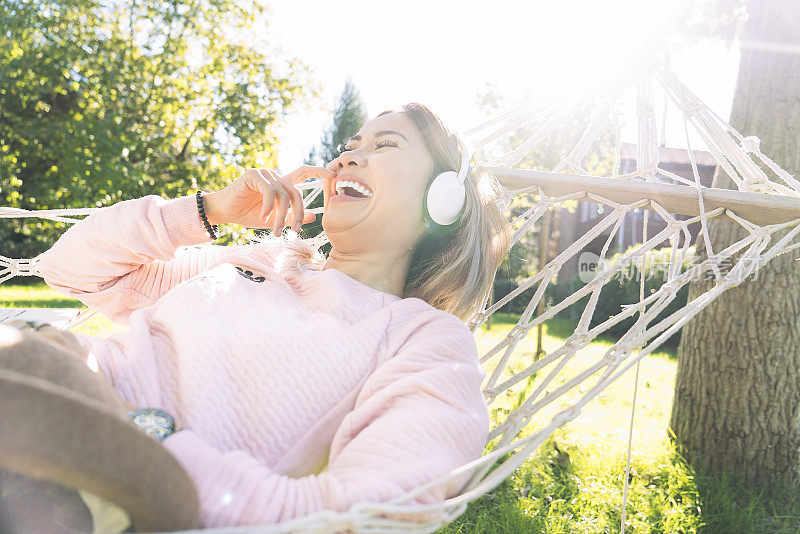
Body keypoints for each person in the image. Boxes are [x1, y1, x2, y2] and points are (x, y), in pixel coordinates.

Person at [1, 103, 513, 529]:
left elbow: (377, 509)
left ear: (442, 202)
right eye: (351, 145)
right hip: (46, 375)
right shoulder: (259, 260)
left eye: (385, 145)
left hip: (126, 485)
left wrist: (155, 451)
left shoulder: (421, 338)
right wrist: (210, 211)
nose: (349, 158)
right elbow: (71, 271)